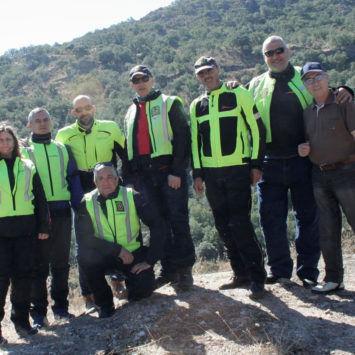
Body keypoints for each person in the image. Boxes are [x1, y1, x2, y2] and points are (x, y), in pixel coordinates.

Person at [248, 35, 353, 287]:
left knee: (308, 218)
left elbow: (324, 89)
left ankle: (307, 272)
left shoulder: (302, 76)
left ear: (289, 50)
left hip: (303, 161)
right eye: (269, 53)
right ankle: (280, 270)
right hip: (269, 161)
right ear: (264, 58)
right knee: (270, 218)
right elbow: (242, 106)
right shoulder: (255, 83)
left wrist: (347, 90)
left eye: (279, 50)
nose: (275, 56)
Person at [190, 56, 267, 299]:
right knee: (223, 225)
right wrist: (198, 174)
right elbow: (195, 142)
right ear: (198, 77)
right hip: (211, 175)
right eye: (202, 73)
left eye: (209, 71)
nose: (206, 76)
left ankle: (257, 277)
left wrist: (255, 165)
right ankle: (240, 273)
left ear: (218, 70)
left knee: (240, 224)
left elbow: (258, 130)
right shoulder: (196, 106)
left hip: (237, 170)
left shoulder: (239, 95)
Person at [124, 65, 195, 290]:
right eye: (136, 80)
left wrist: (176, 171)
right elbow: (128, 147)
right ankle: (169, 270)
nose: (141, 83)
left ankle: (185, 271)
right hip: (144, 177)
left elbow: (183, 138)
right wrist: (130, 179)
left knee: (177, 220)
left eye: (144, 78)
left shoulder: (169, 102)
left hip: (168, 171)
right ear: (131, 85)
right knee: (158, 223)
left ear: (152, 79)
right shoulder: (130, 111)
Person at [56, 95, 127, 309]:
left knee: (115, 231)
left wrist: (127, 184)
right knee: (84, 239)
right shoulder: (64, 134)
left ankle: (119, 282)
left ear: (93, 108)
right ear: (73, 113)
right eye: (79, 110)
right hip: (81, 185)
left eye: (87, 108)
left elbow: (126, 155)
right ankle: (89, 295)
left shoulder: (110, 127)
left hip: (108, 182)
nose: (84, 112)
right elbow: (57, 160)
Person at [75, 163, 167, 318]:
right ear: (95, 183)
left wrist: (150, 260)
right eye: (101, 178)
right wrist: (116, 249)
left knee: (144, 289)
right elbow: (84, 238)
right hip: (104, 256)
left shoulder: (132, 196)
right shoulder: (87, 202)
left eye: (110, 177)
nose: (106, 182)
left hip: (133, 255)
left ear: (117, 179)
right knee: (85, 257)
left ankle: (133, 291)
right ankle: (105, 304)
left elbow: (158, 225)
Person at [22, 108, 83, 329]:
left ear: (51, 121)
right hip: (36, 215)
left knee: (60, 263)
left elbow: (73, 179)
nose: (42, 123)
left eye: (46, 119)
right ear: (29, 125)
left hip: (61, 211)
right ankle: (38, 314)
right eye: (37, 120)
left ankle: (61, 309)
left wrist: (79, 208)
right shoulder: (24, 151)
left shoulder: (62, 148)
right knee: (38, 265)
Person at [298, 62, 355, 293]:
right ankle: (334, 279)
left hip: (347, 172)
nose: (314, 82)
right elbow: (311, 140)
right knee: (328, 229)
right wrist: (305, 149)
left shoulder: (345, 103)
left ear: (327, 77)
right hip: (320, 175)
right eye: (308, 80)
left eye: (317, 77)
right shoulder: (308, 112)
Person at [0, 124, 49, 343]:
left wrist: (44, 226)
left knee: (23, 278)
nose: (4, 143)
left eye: (8, 139)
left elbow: (39, 198)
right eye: (0, 140)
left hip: (26, 230)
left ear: (15, 141)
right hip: (1, 231)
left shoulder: (28, 165)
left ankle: (21, 321)